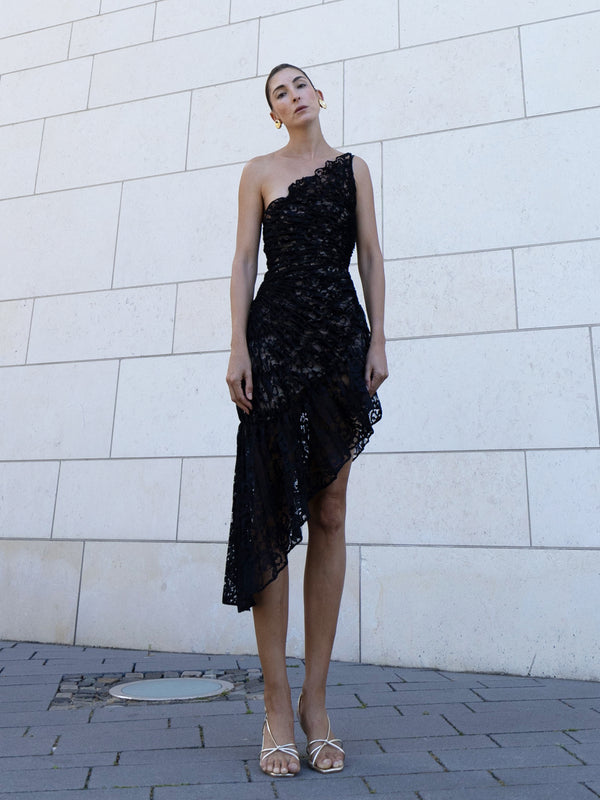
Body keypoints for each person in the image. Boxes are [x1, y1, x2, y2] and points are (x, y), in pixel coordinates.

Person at [224, 63, 388, 777]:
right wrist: (236, 345)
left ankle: (318, 705)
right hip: (275, 342)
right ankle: (278, 708)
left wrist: (380, 336)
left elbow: (373, 258)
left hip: (338, 342)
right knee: (269, 515)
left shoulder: (353, 169)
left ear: (321, 97)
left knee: (329, 507)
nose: (292, 95)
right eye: (278, 92)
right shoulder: (258, 171)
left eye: (300, 85)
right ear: (274, 114)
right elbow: (241, 265)